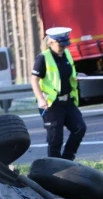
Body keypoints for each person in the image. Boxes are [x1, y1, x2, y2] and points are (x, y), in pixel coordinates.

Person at [31, 26, 87, 160]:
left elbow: (67, 74)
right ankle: (54, 168)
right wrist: (40, 99)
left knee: (80, 128)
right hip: (51, 104)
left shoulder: (66, 54)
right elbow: (34, 79)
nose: (63, 48)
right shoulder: (43, 58)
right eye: (60, 45)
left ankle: (67, 160)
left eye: (65, 45)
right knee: (55, 139)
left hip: (68, 101)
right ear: (51, 43)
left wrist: (78, 76)